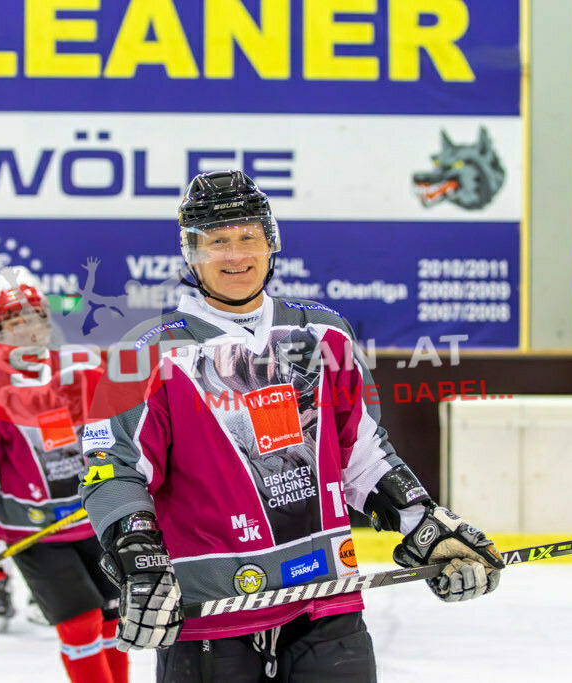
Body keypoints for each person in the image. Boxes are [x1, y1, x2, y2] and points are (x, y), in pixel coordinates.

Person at [79, 170, 504, 681]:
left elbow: (363, 453)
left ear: (270, 242)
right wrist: (137, 556)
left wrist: (427, 526)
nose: (235, 256)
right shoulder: (144, 353)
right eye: (216, 242)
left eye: (247, 237)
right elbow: (113, 469)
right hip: (209, 613)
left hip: (325, 603)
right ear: (191, 253)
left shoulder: (324, 332)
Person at [0, 271, 127, 682]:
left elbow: (122, 434)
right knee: (79, 624)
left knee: (113, 621)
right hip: (36, 532)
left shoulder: (82, 370)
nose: (26, 330)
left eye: (33, 319)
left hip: (93, 520)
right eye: (14, 323)